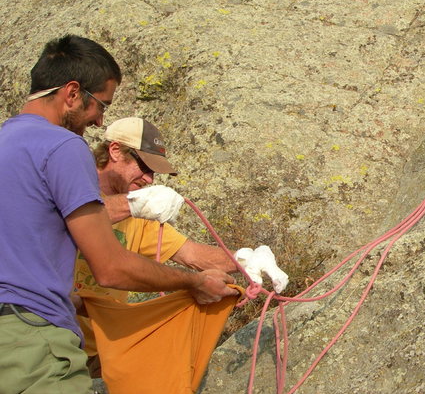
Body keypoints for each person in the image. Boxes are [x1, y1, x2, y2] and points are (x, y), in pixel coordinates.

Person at [0, 34, 237, 394]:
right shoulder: (62, 147)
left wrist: (246, 263)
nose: (96, 119)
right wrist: (193, 284)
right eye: (100, 105)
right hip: (33, 343)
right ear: (73, 93)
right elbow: (109, 267)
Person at [73, 116, 289, 376]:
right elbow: (68, 215)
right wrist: (131, 203)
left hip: (100, 349)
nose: (150, 180)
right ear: (115, 151)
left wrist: (244, 259)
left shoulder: (138, 217)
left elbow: (190, 253)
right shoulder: (71, 187)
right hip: (47, 340)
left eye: (154, 172)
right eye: (144, 166)